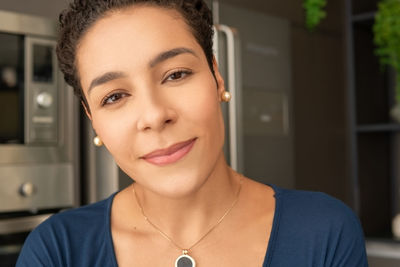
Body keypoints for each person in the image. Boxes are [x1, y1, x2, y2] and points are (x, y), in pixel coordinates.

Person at [16, 0, 368, 266]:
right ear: (92, 118)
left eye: (176, 74)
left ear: (217, 77)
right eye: (115, 96)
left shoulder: (323, 234)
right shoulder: (56, 251)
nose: (154, 115)